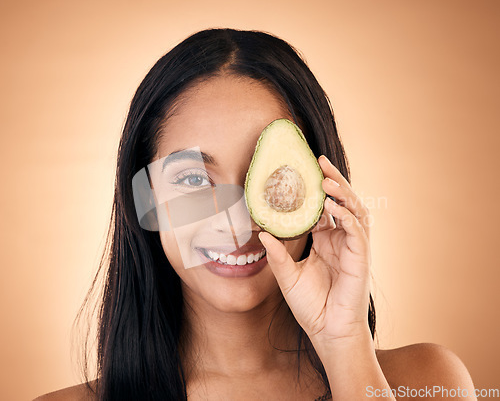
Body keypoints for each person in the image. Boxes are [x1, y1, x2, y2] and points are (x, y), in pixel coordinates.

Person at [36, 28, 477, 400]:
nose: (237, 221)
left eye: (271, 179)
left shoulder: (429, 381)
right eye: (193, 180)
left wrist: (344, 343)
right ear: (146, 199)